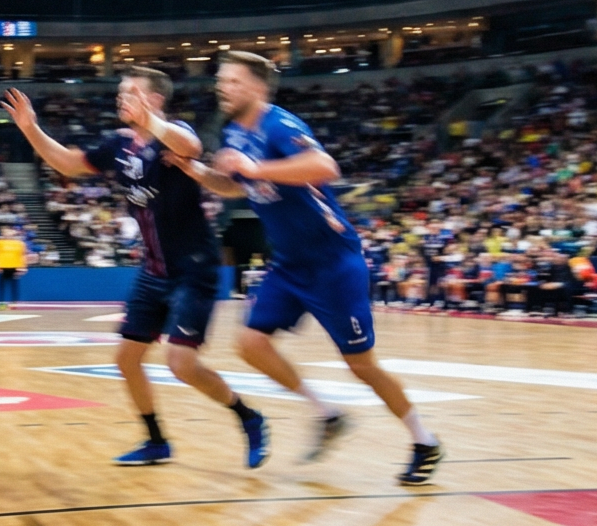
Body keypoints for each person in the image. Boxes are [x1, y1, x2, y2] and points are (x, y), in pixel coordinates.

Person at [185, 51, 443, 486]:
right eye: (221, 81)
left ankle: (425, 440)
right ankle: (327, 412)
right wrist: (193, 170)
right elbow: (234, 187)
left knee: (361, 366)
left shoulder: (280, 125)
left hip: (332, 263)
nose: (222, 88)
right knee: (250, 344)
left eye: (232, 81)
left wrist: (254, 166)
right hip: (288, 264)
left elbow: (325, 167)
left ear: (257, 88)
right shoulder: (232, 132)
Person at [2, 72, 270, 469]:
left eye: (131, 91)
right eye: (120, 91)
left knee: (181, 365)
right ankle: (156, 440)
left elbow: (191, 145)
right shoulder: (119, 145)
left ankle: (249, 417)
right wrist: (32, 129)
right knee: (126, 358)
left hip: (194, 268)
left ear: (156, 99)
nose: (120, 97)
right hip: (154, 269)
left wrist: (152, 123)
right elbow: (70, 164)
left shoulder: (173, 134)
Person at [0, 226, 28, 307]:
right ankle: (1, 303)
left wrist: (23, 266)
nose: (7, 234)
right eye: (5, 232)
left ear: (13, 233)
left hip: (15, 266)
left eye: (9, 232)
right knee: (1, 285)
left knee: (14, 285)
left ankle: (14, 302)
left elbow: (22, 255)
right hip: (2, 266)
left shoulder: (19, 243)